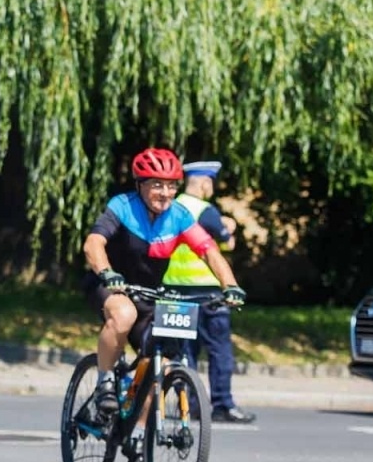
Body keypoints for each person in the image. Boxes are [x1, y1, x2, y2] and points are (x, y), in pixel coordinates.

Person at [81, 148, 246, 418]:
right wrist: (107, 272)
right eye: (157, 185)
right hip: (109, 284)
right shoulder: (123, 206)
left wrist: (230, 285)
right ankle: (105, 381)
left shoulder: (179, 215)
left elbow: (208, 251)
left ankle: (138, 439)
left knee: (158, 365)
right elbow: (93, 243)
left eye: (171, 186)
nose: (166, 193)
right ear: (140, 185)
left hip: (149, 295)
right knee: (124, 314)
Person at [164, 159, 255, 423]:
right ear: (204, 183)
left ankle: (190, 405)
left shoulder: (172, 207)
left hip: (175, 291)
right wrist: (228, 228)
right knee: (219, 351)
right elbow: (226, 241)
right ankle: (222, 404)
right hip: (207, 293)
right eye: (211, 183)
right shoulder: (205, 210)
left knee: (185, 353)